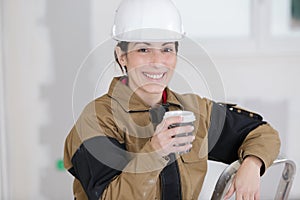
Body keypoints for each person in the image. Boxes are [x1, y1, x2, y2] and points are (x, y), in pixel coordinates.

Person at [63, 0, 281, 199]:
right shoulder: (96, 121)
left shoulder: (195, 111)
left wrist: (252, 164)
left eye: (167, 49)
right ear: (122, 55)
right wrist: (155, 151)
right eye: (144, 49)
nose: (158, 61)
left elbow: (262, 132)